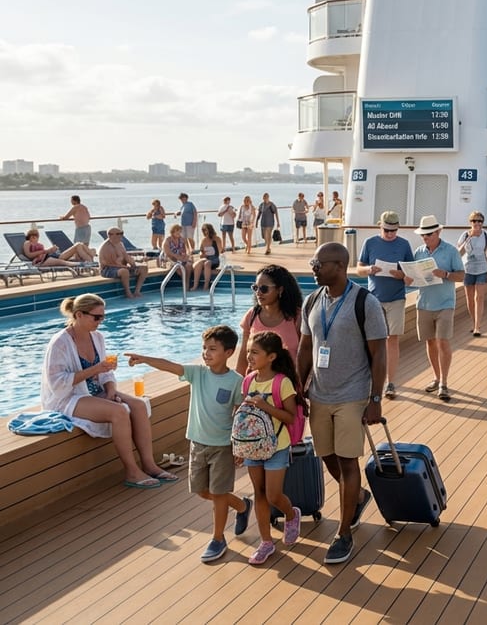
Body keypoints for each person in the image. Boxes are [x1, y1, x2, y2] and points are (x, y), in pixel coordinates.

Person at [126, 325, 253, 563]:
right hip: (198, 443)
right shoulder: (198, 373)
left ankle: (217, 539)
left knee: (218, 493)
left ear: (229, 352)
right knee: (202, 491)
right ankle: (243, 506)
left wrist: (240, 446)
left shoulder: (237, 381)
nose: (206, 353)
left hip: (223, 446)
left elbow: (241, 413)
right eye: (204, 348)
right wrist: (144, 359)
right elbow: (170, 365)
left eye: (212, 349)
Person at [298, 242, 387, 564]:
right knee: (327, 457)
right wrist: (298, 385)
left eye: (318, 263)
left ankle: (344, 533)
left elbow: (379, 354)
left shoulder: (366, 303)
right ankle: (358, 497)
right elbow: (306, 348)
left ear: (338, 265)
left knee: (348, 462)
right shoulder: (312, 301)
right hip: (319, 394)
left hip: (353, 394)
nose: (313, 267)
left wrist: (375, 399)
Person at [40, 293, 177, 489]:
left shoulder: (97, 337)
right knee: (119, 412)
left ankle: (149, 464)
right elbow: (56, 383)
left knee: (138, 405)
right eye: (96, 317)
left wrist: (111, 390)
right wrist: (95, 370)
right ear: (78, 315)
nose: (101, 321)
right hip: (68, 397)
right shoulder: (60, 343)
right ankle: (131, 471)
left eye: (103, 317)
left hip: (95, 392)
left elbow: (106, 374)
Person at [238, 331, 304, 565]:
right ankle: (266, 542)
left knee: (273, 494)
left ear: (272, 356)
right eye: (248, 352)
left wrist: (265, 405)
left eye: (255, 352)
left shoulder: (282, 383)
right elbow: (245, 417)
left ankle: (290, 514)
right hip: (253, 448)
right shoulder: (248, 381)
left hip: (277, 446)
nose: (249, 356)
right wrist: (238, 447)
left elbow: (290, 417)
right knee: (259, 494)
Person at [357, 211, 415, 398]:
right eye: (387, 230)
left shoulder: (404, 245)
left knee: (392, 340)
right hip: (374, 300)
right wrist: (368, 269)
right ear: (380, 227)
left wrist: (402, 275)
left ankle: (390, 382)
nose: (390, 234)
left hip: (397, 298)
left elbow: (411, 275)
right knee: (372, 340)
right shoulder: (370, 243)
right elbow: (358, 269)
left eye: (394, 230)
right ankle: (371, 379)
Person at [412, 215, 465, 402]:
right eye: (423, 235)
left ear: (438, 232)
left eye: (429, 234)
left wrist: (445, 274)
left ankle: (444, 382)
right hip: (424, 303)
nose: (425, 237)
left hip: (445, 304)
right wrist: (408, 277)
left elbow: (461, 276)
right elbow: (413, 278)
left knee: (442, 341)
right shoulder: (418, 252)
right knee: (430, 342)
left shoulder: (451, 251)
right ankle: (436, 377)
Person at [237, 264, 304, 374]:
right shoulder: (251, 315)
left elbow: (306, 354)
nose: (258, 293)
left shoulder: (297, 317)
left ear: (280, 289)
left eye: (264, 288)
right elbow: (244, 353)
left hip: (288, 385)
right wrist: (239, 384)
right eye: (255, 288)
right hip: (256, 385)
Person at [457, 210, 487, 336]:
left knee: (479, 297)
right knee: (470, 299)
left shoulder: (486, 235)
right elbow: (459, 253)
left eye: (480, 221)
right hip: (468, 269)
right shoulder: (465, 235)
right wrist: (469, 237)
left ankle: (478, 326)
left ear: (483, 223)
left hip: (482, 269)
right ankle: (474, 323)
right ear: (470, 222)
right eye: (474, 221)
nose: (477, 223)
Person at [99, 227, 148, 298]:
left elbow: (125, 256)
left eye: (121, 233)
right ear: (111, 235)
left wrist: (133, 265)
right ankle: (128, 292)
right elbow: (105, 263)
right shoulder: (105, 247)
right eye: (119, 234)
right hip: (107, 269)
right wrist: (123, 267)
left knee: (143, 268)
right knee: (124, 271)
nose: (121, 236)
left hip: (121, 266)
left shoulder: (120, 244)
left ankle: (137, 291)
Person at [22, 229, 92, 268]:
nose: (35, 239)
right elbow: (29, 255)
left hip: (54, 256)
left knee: (79, 244)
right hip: (43, 260)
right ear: (29, 237)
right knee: (64, 262)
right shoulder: (27, 243)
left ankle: (90, 260)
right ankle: (84, 263)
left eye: (36, 237)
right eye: (33, 237)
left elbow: (45, 252)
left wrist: (51, 250)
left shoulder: (39, 244)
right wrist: (46, 251)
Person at [191, 223, 223, 292]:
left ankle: (206, 285)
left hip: (215, 259)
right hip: (206, 258)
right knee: (199, 264)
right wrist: (203, 254)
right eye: (204, 230)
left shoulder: (217, 239)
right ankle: (195, 285)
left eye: (206, 230)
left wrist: (211, 251)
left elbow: (220, 251)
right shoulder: (203, 240)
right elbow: (201, 252)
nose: (205, 232)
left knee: (207, 263)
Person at [162, 223, 192, 289]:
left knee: (189, 265)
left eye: (180, 231)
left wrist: (186, 256)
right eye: (177, 231)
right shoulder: (167, 240)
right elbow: (168, 253)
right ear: (173, 232)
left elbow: (186, 250)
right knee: (180, 269)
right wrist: (177, 257)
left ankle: (186, 284)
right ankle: (185, 285)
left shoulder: (181, 239)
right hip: (170, 259)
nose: (179, 233)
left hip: (181, 258)